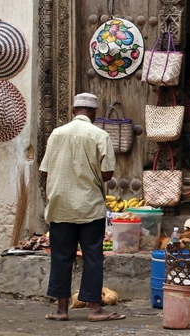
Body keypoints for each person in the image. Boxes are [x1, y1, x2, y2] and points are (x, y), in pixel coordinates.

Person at [39, 93, 124, 322]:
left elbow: (45, 169)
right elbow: (107, 174)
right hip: (89, 206)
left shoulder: (56, 134)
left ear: (73, 110)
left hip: (60, 205)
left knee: (61, 257)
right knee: (93, 256)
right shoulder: (100, 135)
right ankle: (95, 309)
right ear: (94, 113)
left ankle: (62, 310)